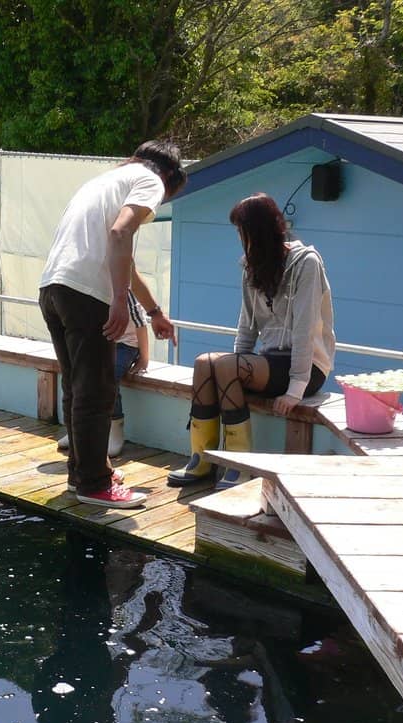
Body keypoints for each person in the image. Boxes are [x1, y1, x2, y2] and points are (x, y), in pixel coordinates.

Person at [40, 140, 184, 509]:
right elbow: (121, 234)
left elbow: (125, 261)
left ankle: (83, 471)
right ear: (169, 177)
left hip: (53, 287)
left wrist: (154, 313)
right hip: (86, 293)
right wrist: (119, 300)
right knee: (97, 391)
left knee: (77, 387)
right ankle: (95, 483)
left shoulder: (105, 181)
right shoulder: (150, 179)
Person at [168, 192, 335, 489]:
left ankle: (238, 465)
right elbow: (246, 326)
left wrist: (296, 389)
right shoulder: (251, 266)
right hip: (270, 362)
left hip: (307, 368)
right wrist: (228, 368)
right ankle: (201, 459)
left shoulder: (306, 262)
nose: (239, 238)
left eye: (241, 231)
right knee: (204, 363)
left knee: (222, 366)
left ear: (256, 231)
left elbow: (305, 329)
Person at [56, 289, 149, 457]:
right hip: (104, 342)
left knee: (109, 376)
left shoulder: (125, 291)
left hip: (127, 344)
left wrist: (144, 357)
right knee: (79, 374)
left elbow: (140, 323)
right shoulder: (93, 287)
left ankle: (115, 430)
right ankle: (78, 432)